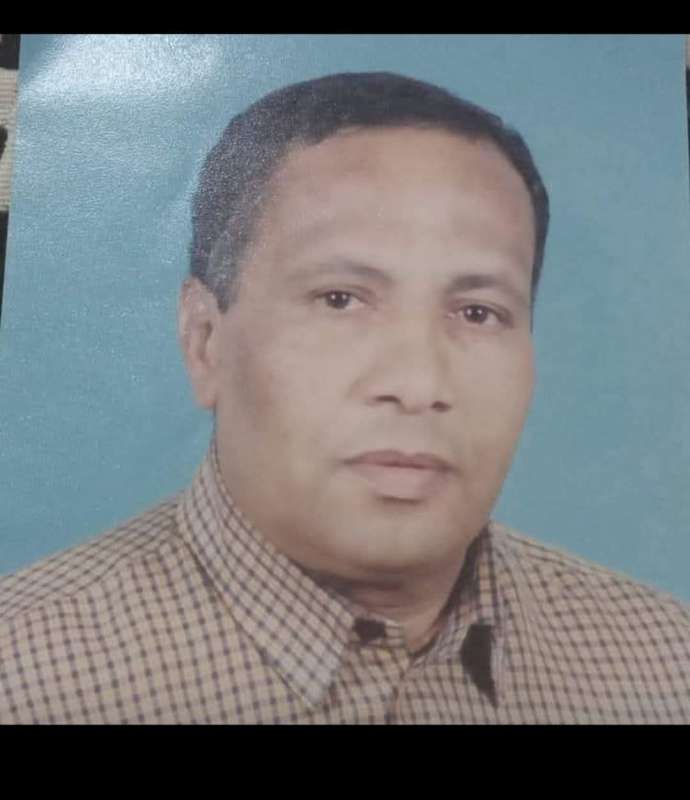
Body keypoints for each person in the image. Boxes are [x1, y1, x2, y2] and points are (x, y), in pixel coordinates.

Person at [0, 72, 688, 724]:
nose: (418, 386)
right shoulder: (22, 674)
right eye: (340, 299)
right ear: (205, 339)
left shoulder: (666, 661)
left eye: (478, 312)